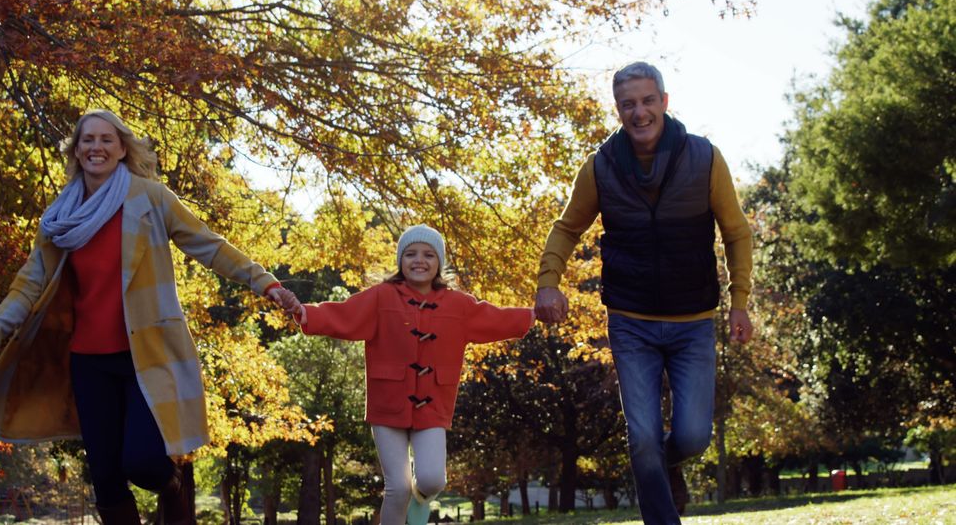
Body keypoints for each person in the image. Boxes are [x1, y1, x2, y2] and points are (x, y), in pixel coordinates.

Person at [0, 109, 303, 525]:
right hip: (88, 362)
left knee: (142, 463)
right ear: (76, 150)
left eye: (107, 139)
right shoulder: (60, 218)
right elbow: (29, 284)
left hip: (146, 355)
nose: (96, 147)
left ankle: (173, 485)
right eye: (87, 140)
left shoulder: (150, 198)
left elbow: (210, 247)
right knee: (105, 478)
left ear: (122, 148)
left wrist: (268, 285)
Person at [534, 62, 754, 524]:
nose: (640, 112)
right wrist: (548, 283)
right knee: (643, 439)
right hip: (631, 321)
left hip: (692, 320)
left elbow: (736, 232)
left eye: (647, 101)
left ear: (664, 102)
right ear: (618, 111)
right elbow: (566, 228)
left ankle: (665, 465)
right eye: (628, 104)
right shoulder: (601, 167)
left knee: (693, 436)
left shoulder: (704, 159)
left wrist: (739, 302)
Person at [292, 225, 534, 525]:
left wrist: (532, 315)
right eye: (410, 254)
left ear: (439, 263)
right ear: (400, 260)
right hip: (387, 402)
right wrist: (308, 314)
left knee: (432, 481)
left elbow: (494, 317)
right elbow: (344, 314)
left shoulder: (458, 304)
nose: (419, 260)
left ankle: (420, 500)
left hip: (433, 404)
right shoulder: (381, 297)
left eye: (428, 255)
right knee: (398, 487)